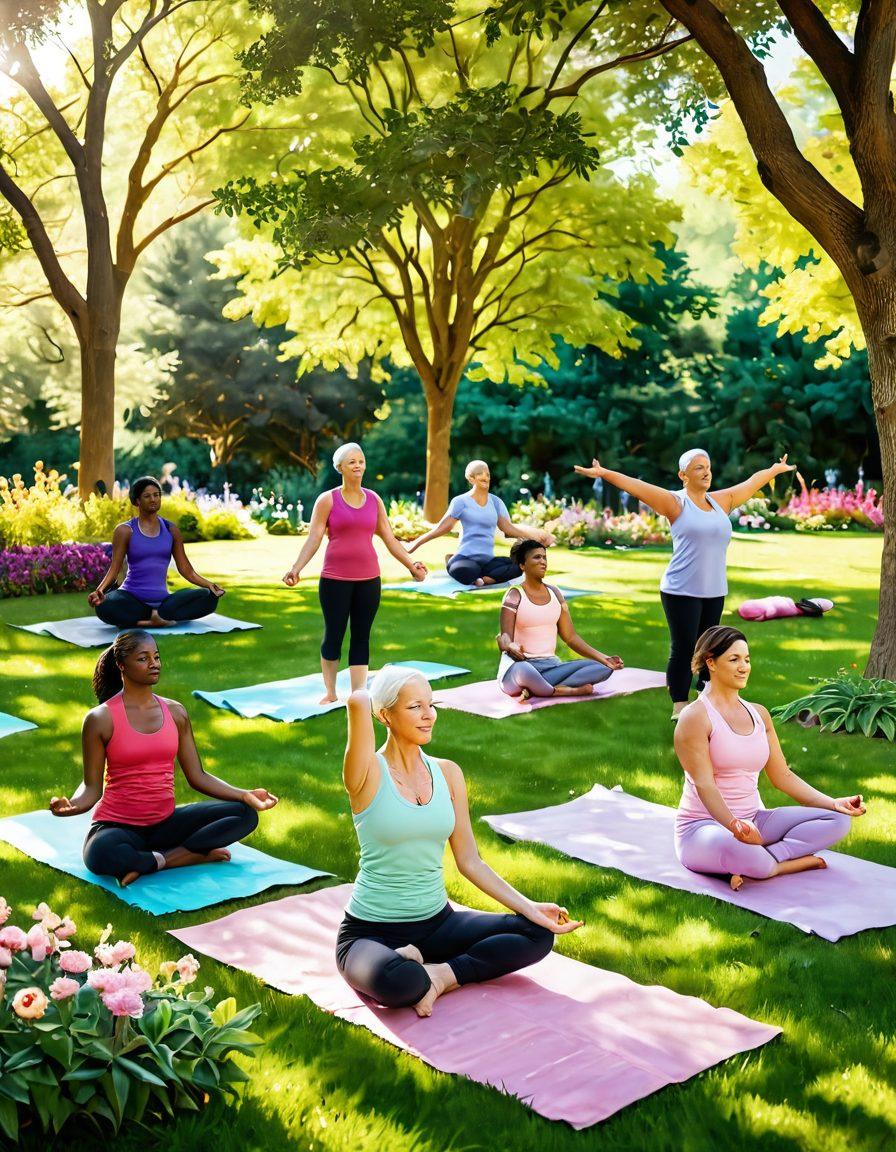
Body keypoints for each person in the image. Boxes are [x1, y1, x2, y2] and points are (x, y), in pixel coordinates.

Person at [336, 665, 582, 1017]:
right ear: (385, 714)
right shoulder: (366, 773)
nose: (429, 715)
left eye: (431, 704)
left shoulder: (448, 773)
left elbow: (469, 861)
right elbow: (357, 701)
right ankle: (414, 968)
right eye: (415, 707)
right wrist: (366, 693)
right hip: (369, 933)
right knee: (399, 982)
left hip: (438, 924)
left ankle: (441, 975)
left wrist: (530, 908)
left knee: (538, 934)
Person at [574, 450, 795, 718]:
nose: (706, 472)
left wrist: (774, 470)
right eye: (699, 467)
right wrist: (604, 473)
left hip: (714, 590)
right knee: (684, 648)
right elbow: (637, 487)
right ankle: (679, 705)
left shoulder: (721, 501)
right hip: (681, 590)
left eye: (708, 467)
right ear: (683, 475)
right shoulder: (675, 502)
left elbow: (751, 483)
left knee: (711, 648)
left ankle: (706, 697)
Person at [49, 630, 278, 887]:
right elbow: (91, 787)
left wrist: (244, 795)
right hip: (119, 827)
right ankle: (185, 856)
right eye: (143, 659)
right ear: (121, 665)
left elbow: (198, 776)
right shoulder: (100, 719)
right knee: (99, 853)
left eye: (156, 657)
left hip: (166, 825)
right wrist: (73, 805)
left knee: (245, 815)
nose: (154, 664)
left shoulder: (175, 712)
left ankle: (157, 860)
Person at [673, 626, 865, 891]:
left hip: (756, 820)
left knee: (838, 820)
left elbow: (782, 776)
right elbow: (704, 784)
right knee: (737, 847)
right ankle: (777, 865)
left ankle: (765, 859)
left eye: (747, 659)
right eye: (734, 659)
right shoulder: (695, 717)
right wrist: (734, 825)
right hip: (704, 828)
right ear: (711, 663)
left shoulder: (759, 714)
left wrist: (833, 803)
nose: (744, 667)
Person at [283, 443, 427, 704]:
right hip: (334, 580)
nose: (358, 465)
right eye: (352, 462)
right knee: (334, 635)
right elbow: (314, 538)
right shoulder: (327, 500)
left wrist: (411, 564)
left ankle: (359, 693)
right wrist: (296, 568)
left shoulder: (374, 500)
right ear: (340, 468)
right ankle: (330, 692)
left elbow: (389, 538)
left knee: (361, 636)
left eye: (361, 461)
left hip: (369, 580)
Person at [87, 476, 224, 629]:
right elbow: (115, 568)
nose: (153, 499)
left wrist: (210, 585)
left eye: (156, 495)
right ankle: (154, 619)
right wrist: (99, 591)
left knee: (208, 597)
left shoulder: (171, 530)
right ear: (137, 501)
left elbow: (186, 570)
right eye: (147, 496)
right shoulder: (125, 530)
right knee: (104, 606)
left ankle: (154, 616)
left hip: (164, 603)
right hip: (131, 599)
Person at [497, 539, 623, 700]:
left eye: (544, 557)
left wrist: (604, 658)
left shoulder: (555, 593)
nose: (543, 561)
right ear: (523, 565)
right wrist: (510, 646)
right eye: (537, 557)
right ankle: (565, 690)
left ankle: (538, 688)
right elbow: (505, 637)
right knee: (524, 671)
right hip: (519, 668)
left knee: (602, 668)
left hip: (551, 667)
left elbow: (570, 637)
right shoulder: (514, 595)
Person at [407, 459, 554, 586]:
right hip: (465, 558)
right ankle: (461, 566)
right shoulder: (460, 502)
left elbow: (509, 529)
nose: (485, 477)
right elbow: (442, 528)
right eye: (480, 474)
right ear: (471, 479)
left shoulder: (496, 502)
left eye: (487, 474)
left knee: (519, 566)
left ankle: (484, 580)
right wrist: (415, 543)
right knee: (465, 570)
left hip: (488, 561)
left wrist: (536, 537)